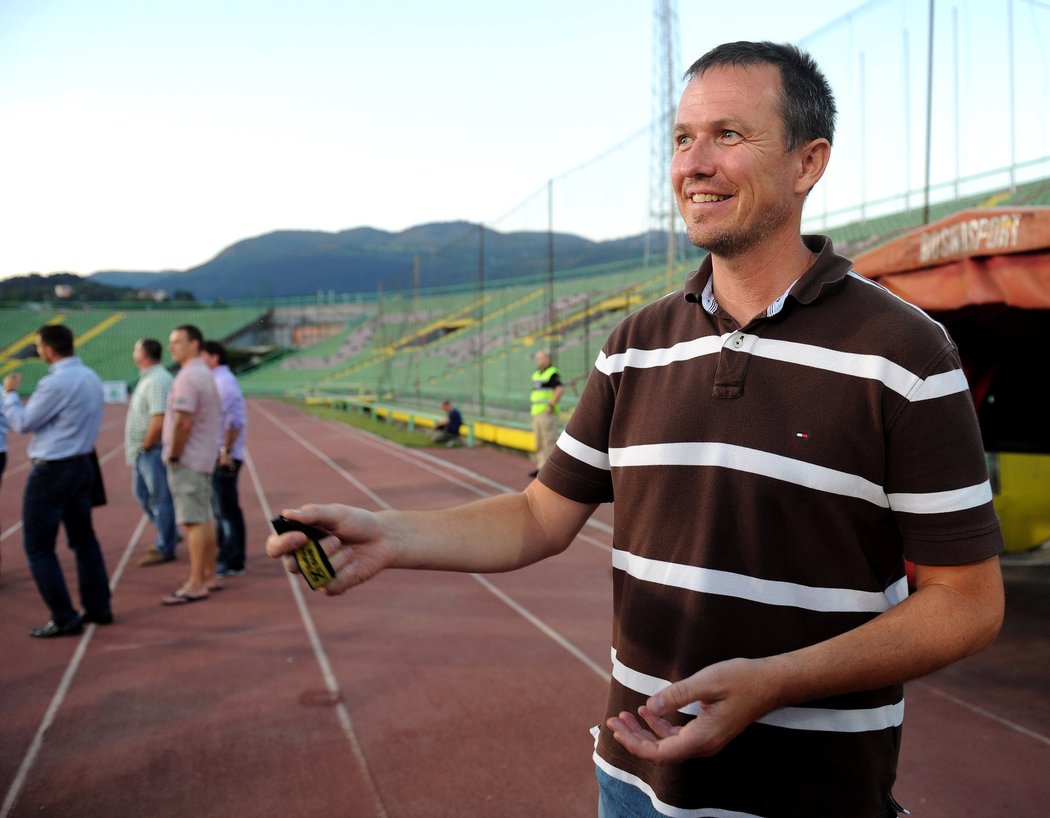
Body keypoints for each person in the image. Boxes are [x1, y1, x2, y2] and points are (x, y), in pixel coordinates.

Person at [266, 41, 1005, 818]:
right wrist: (390, 536)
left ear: (807, 163)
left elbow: (968, 601)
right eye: (684, 139)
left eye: (729, 134)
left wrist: (775, 683)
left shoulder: (905, 352)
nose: (696, 163)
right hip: (632, 782)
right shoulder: (635, 345)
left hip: (810, 792)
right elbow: (538, 517)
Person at [2, 325, 112, 637]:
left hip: (53, 470)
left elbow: (23, 423)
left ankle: (64, 617)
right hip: (82, 465)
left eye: (38, 346)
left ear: (48, 349)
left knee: (38, 547)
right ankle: (98, 607)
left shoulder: (55, 383)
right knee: (84, 539)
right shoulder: (90, 377)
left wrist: (10, 394)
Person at [161, 325, 221, 605]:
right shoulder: (204, 373)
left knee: (194, 522)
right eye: (171, 342)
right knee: (204, 518)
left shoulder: (187, 377)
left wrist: (174, 454)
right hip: (203, 457)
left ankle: (196, 583)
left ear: (195, 344)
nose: (172, 347)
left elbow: (183, 422)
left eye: (178, 342)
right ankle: (208, 575)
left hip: (189, 459)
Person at [125, 338, 180, 567]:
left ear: (144, 354)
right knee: (144, 495)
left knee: (159, 498)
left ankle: (165, 545)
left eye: (135, 349)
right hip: (144, 451)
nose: (133, 353)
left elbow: (159, 417)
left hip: (151, 451)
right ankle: (168, 534)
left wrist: (147, 445)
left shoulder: (157, 379)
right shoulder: (149, 378)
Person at [201, 340, 247, 577]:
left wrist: (226, 451)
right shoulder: (217, 381)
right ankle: (226, 554)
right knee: (221, 509)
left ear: (215, 357)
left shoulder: (224, 383)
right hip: (218, 454)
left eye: (203, 356)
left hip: (225, 456)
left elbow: (235, 422)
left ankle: (234, 560)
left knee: (227, 509)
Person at [528, 349, 563, 477]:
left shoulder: (552, 373)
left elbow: (559, 390)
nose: (537, 361)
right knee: (539, 442)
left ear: (548, 359)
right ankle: (540, 467)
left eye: (540, 358)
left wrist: (551, 405)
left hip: (546, 412)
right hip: (536, 412)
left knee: (548, 441)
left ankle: (549, 470)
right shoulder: (536, 374)